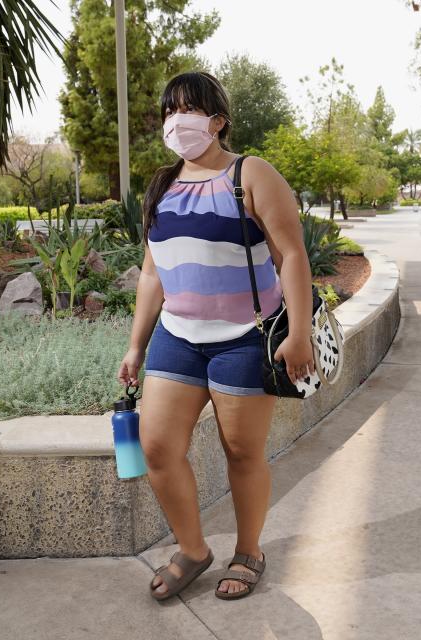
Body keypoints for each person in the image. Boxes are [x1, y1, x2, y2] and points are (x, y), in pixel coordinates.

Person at [116, 71, 315, 601]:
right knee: (157, 448)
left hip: (244, 338)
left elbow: (291, 255)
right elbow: (153, 273)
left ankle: (249, 550)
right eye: (169, 111)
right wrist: (137, 343)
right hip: (177, 337)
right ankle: (193, 549)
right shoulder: (161, 184)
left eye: (188, 109)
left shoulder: (250, 174)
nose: (176, 121)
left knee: (242, 452)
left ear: (218, 120)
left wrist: (299, 333)